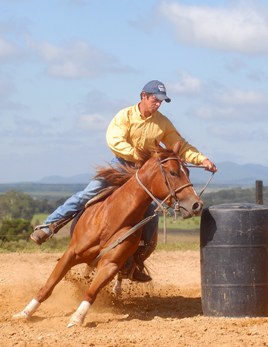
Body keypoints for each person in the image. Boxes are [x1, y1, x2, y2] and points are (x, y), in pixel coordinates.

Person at [31, 80, 217, 281]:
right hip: (121, 166)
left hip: (145, 175)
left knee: (151, 214)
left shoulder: (163, 123)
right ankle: (49, 226)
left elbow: (182, 146)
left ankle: (134, 260)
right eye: (155, 99)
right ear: (143, 96)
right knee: (89, 193)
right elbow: (115, 140)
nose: (158, 104)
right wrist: (137, 156)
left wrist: (202, 159)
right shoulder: (124, 116)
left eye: (162, 101)